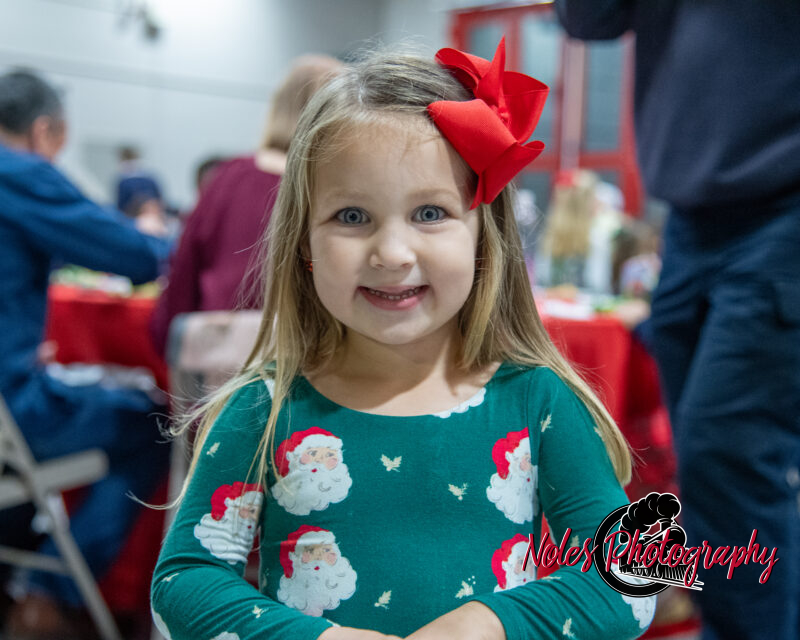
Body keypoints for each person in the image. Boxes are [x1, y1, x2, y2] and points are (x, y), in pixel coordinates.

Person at [150, 41, 655, 640]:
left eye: (430, 213)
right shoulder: (262, 408)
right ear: (304, 243)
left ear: (484, 235)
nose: (391, 253)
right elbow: (186, 579)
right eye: (352, 216)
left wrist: (485, 625)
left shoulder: (537, 402)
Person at [555, 4, 800, 639]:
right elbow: (588, 17)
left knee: (730, 456)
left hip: (782, 209)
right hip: (690, 217)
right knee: (702, 462)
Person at [0, 69, 172, 637]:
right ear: (44, 131)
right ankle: (50, 597)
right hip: (10, 409)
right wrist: (167, 239)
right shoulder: (19, 172)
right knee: (153, 421)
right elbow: (133, 255)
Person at [148, 54, 342, 358]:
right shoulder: (331, 186)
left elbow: (184, 269)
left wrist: (170, 338)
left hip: (218, 350)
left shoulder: (229, 176)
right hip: (305, 351)